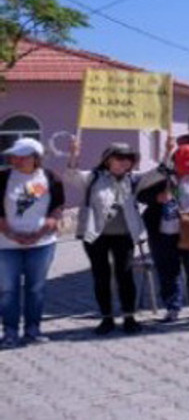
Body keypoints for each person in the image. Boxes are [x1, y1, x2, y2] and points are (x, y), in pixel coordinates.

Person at [65, 139, 153, 335]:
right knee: (101, 277)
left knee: (125, 276)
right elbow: (71, 176)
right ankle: (106, 319)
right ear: (107, 160)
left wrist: (168, 151)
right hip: (96, 236)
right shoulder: (93, 177)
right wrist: (73, 154)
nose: (125, 162)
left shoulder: (133, 179)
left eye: (129, 158)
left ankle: (129, 317)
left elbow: (156, 174)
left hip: (124, 235)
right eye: (120, 157)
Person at [137, 143, 189, 321]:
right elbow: (140, 194)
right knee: (167, 271)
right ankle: (172, 307)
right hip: (163, 231)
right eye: (183, 168)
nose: (187, 172)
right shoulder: (161, 176)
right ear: (174, 163)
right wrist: (156, 198)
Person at [0, 138, 66, 347]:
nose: (15, 160)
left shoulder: (50, 178)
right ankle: (10, 332)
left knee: (35, 288)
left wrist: (46, 226)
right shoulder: (3, 178)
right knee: (8, 289)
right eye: (13, 156)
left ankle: (33, 330)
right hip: (6, 244)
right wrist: (11, 234)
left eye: (22, 156)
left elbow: (58, 206)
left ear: (35, 158)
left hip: (42, 243)